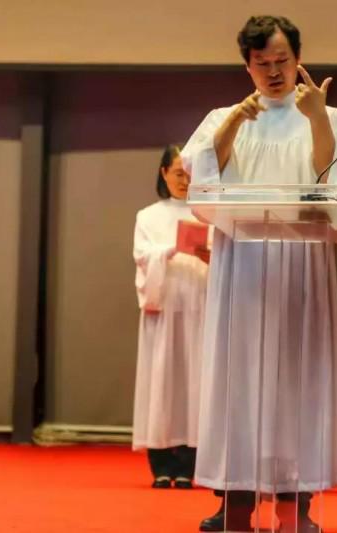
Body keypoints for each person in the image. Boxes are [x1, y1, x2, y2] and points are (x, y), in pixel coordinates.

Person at [181, 15, 337, 533]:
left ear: (297, 58)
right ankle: (236, 507)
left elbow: (333, 180)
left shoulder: (328, 114)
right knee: (238, 381)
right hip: (242, 266)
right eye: (263, 64)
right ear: (247, 65)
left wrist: (318, 117)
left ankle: (294, 510)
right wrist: (235, 122)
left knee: (296, 381)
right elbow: (199, 176)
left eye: (283, 61)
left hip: (301, 265)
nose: (274, 72)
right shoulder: (222, 115)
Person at [131, 144, 209, 490]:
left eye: (189, 173)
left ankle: (191, 463)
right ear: (164, 173)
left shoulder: (208, 213)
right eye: (178, 172)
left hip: (199, 304)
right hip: (165, 307)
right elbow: (143, 257)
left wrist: (206, 253)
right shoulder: (148, 216)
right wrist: (171, 249)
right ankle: (161, 462)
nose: (184, 179)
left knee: (196, 381)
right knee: (162, 381)